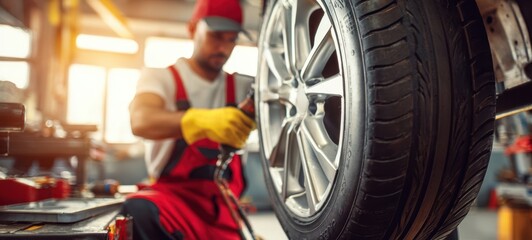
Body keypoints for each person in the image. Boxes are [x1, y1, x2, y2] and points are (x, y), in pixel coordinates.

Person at [122, 0, 255, 239]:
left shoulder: (244, 87)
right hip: (174, 203)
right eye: (216, 36)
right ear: (193, 29)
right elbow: (140, 120)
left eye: (232, 39)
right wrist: (200, 121)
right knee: (138, 210)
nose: (224, 48)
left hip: (224, 211)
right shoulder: (162, 78)